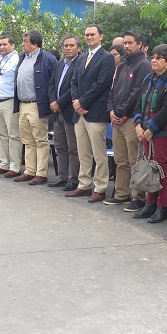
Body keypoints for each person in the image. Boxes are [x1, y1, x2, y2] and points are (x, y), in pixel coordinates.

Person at [132, 44, 167, 223]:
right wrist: (138, 124)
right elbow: (140, 104)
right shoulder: (148, 78)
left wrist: (151, 128)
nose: (154, 60)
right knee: (149, 167)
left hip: (162, 132)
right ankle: (150, 204)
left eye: (158, 58)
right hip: (145, 131)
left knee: (161, 169)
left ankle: (161, 207)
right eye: (153, 57)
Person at [66, 24, 116, 203]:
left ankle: (100, 187)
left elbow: (102, 84)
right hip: (79, 112)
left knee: (98, 152)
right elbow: (73, 82)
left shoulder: (107, 58)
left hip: (95, 111)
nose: (89, 37)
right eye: (87, 35)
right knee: (83, 152)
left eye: (92, 34)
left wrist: (83, 102)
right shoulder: (82, 58)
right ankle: (84, 184)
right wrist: (76, 102)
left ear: (101, 36)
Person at [107, 31, 152, 208]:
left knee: (135, 160)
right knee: (121, 160)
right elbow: (112, 90)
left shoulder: (144, 65)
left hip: (132, 119)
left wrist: (120, 112)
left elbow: (137, 93)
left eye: (130, 43)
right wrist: (111, 110)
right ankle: (121, 194)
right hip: (117, 118)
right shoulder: (123, 65)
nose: (126, 46)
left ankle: (137, 197)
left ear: (140, 45)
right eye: (125, 43)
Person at [12, 30, 57, 185]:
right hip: (23, 104)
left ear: (35, 44)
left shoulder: (48, 59)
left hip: (37, 104)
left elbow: (53, 82)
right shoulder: (21, 57)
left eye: (25, 41)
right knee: (27, 140)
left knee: (40, 140)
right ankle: (30, 170)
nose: (23, 44)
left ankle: (41, 173)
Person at [48, 34, 82, 190]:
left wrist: (60, 103)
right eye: (66, 46)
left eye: (72, 46)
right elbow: (52, 84)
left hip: (69, 110)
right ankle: (62, 176)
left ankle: (73, 178)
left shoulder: (80, 63)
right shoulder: (60, 63)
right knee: (60, 145)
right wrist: (53, 102)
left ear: (78, 48)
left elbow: (74, 88)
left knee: (72, 147)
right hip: (56, 111)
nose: (68, 48)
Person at [0, 35, 22, 177]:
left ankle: (14, 166)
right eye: (0, 45)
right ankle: (4, 163)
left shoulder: (17, 60)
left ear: (13, 45)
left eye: (5, 44)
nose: (1, 47)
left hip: (10, 100)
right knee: (1, 134)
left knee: (13, 134)